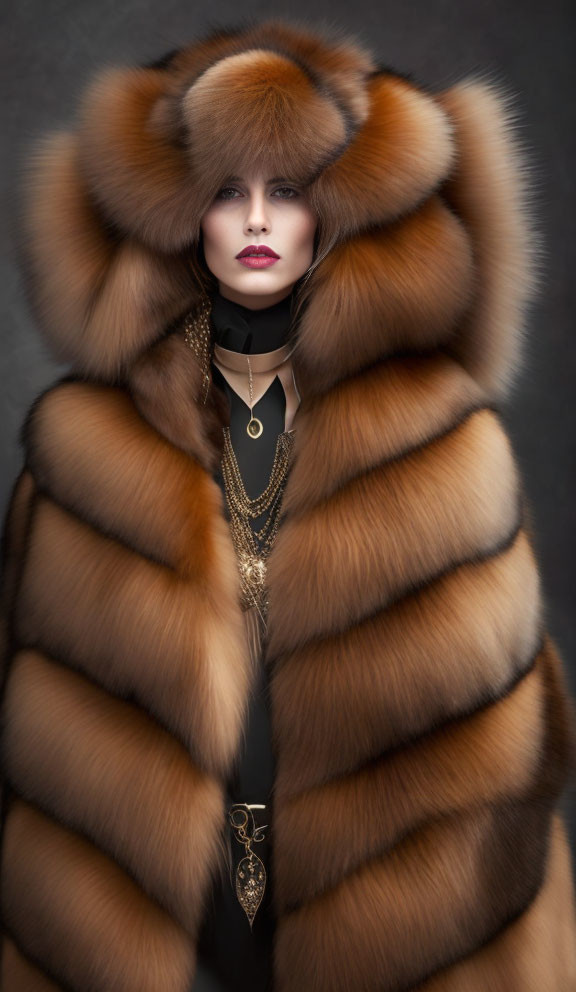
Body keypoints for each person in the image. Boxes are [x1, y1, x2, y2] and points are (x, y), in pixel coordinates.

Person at [1, 15, 576, 992]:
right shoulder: (87, 449)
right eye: (228, 191)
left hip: (390, 925)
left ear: (335, 212)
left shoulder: (439, 443)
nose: (259, 220)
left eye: (289, 190)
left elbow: (504, 760)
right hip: (159, 921)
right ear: (185, 213)